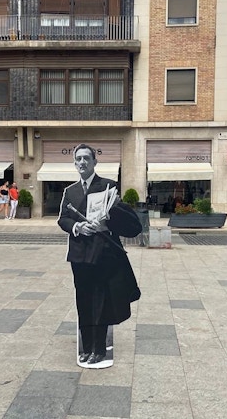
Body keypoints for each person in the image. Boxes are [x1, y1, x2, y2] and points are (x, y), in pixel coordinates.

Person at [57, 144, 142, 368]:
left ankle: (99, 349)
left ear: (95, 162)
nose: (82, 162)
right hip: (78, 255)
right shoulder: (70, 191)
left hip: (102, 253)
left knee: (101, 302)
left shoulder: (108, 186)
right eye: (78, 159)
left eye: (86, 158)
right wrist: (77, 227)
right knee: (83, 301)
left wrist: (108, 216)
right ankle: (87, 348)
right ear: (75, 164)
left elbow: (126, 221)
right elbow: (62, 219)